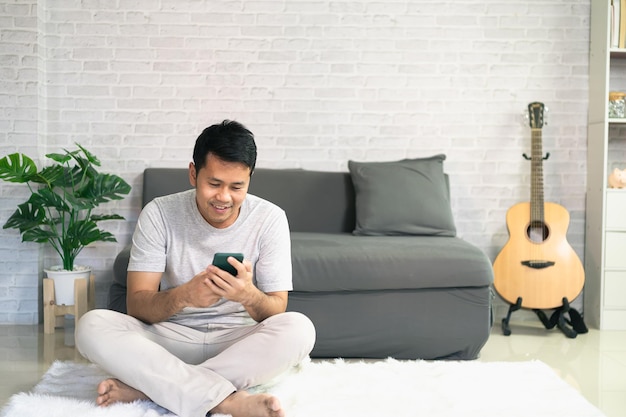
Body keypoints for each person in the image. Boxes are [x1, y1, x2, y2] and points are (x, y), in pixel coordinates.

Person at [76, 120, 316, 417]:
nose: (224, 197)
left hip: (236, 342)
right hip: (169, 338)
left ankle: (150, 389)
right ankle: (227, 401)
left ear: (249, 180)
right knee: (92, 325)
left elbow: (276, 309)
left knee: (300, 329)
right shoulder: (159, 213)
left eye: (236, 186)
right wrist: (185, 296)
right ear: (193, 173)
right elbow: (136, 305)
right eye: (214, 184)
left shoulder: (270, 219)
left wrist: (247, 295)